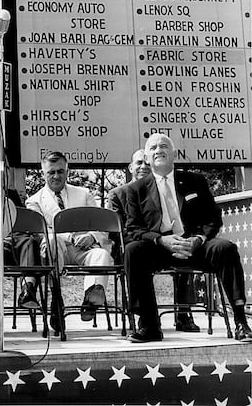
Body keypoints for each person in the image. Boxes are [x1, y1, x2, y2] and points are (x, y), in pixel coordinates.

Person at [124, 133, 252, 343]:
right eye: (153, 147)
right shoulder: (135, 190)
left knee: (226, 248)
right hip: (160, 248)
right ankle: (149, 325)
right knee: (133, 250)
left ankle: (241, 322)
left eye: (164, 146)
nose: (159, 150)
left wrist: (198, 239)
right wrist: (160, 240)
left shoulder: (195, 181)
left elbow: (213, 218)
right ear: (147, 157)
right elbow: (134, 228)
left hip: (195, 244)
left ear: (174, 153)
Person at [108, 148, 200, 333]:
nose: (143, 166)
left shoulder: (164, 188)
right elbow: (118, 232)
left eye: (146, 162)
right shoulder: (118, 194)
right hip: (133, 247)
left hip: (162, 245)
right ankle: (145, 318)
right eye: (138, 163)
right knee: (136, 252)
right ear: (130, 167)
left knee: (180, 245)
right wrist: (151, 240)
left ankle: (183, 313)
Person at [26, 151, 113, 322]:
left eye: (60, 171)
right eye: (51, 172)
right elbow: (39, 233)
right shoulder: (34, 201)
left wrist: (93, 236)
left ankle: (91, 299)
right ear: (43, 173)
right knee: (50, 240)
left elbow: (100, 225)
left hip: (84, 249)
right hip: (56, 249)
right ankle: (56, 300)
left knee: (102, 255)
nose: (56, 176)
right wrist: (70, 237)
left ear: (67, 171)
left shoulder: (83, 194)